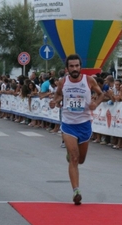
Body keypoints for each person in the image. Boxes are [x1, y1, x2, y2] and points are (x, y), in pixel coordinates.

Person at [49, 54, 104, 205]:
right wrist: (54, 102)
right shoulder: (63, 82)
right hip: (68, 124)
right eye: (71, 66)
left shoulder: (89, 80)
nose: (74, 69)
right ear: (67, 68)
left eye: (77, 66)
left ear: (80, 67)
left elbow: (101, 94)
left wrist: (95, 104)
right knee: (74, 158)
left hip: (84, 123)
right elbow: (58, 96)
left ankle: (71, 155)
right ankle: (76, 191)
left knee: (81, 159)